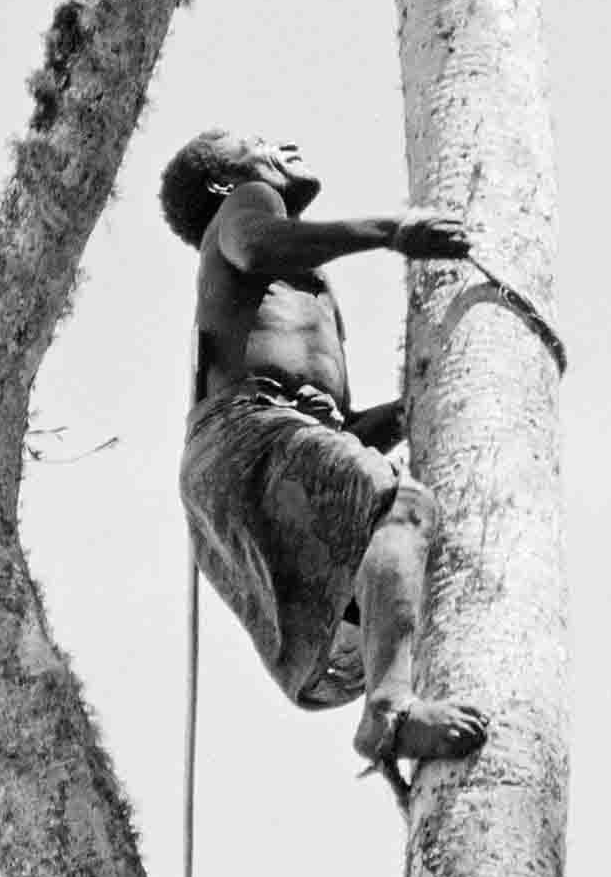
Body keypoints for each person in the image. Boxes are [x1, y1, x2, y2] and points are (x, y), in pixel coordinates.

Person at [159, 130, 490, 778]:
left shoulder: (273, 299)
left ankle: (378, 677)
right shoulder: (249, 203)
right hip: (250, 427)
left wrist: (418, 406)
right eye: (255, 143)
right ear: (226, 183)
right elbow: (256, 246)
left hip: (253, 447)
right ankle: (389, 709)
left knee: (381, 543)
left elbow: (340, 441)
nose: (282, 144)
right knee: (401, 506)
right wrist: (392, 231)